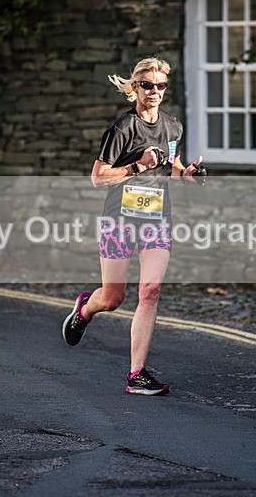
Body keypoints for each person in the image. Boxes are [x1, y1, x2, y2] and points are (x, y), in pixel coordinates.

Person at [61, 57, 203, 395]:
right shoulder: (123, 128)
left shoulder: (173, 127)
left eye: (161, 85)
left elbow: (171, 164)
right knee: (113, 298)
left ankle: (136, 374)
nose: (155, 91)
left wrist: (186, 174)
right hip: (119, 220)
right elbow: (98, 177)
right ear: (136, 87)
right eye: (148, 85)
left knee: (150, 290)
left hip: (157, 218)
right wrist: (137, 167)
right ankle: (85, 309)